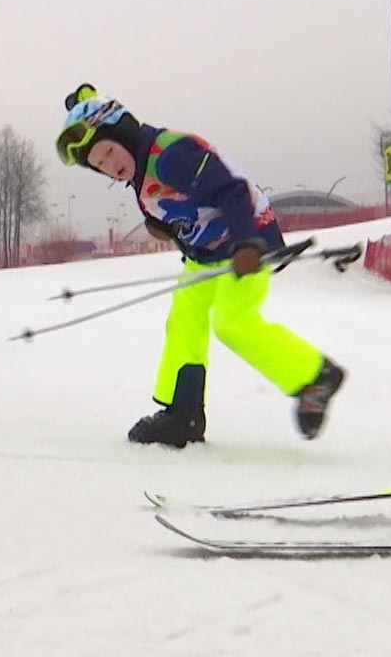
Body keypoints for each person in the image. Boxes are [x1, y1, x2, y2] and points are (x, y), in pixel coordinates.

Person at [54, 84, 346, 447]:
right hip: (205, 252)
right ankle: (182, 414)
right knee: (184, 322)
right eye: (99, 165)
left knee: (232, 323)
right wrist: (171, 231)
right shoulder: (138, 167)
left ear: (124, 132)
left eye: (110, 152)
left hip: (245, 239)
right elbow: (182, 206)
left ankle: (316, 377)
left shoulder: (170, 154)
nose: (110, 166)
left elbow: (231, 191)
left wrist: (246, 243)